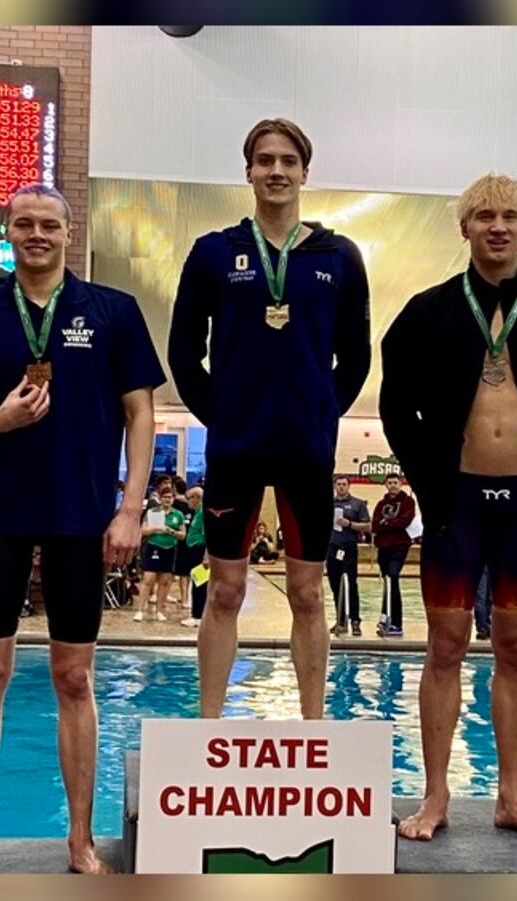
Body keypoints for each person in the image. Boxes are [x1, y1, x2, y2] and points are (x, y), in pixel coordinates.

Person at [0, 183, 164, 874]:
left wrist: (130, 507)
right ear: (7, 232)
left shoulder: (114, 312)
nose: (36, 233)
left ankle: (80, 840)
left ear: (69, 234)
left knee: (76, 677)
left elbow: (140, 414)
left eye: (49, 223)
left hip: (81, 516)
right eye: (23, 223)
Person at [380, 173, 517, 843]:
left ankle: (511, 795)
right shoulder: (428, 311)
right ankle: (435, 793)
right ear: (464, 227)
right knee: (444, 646)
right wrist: (427, 474)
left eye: (509, 216)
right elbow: (393, 402)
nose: (496, 226)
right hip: (455, 502)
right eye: (483, 216)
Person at [168, 117, 372, 719]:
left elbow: (357, 356)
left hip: (306, 450)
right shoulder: (213, 253)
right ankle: (208, 725)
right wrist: (222, 415)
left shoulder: (339, 255)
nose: (276, 170)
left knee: (309, 593)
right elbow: (184, 351)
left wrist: (319, 412)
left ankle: (313, 728)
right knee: (224, 589)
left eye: (288, 160)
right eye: (264, 160)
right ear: (249, 171)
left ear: (305, 171)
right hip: (236, 448)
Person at [371, 474, 417, 637]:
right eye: (389, 483)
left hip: (399, 546)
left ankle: (396, 622)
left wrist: (387, 523)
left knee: (393, 576)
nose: (392, 486)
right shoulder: (381, 504)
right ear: (385, 485)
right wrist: (389, 523)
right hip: (383, 546)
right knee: (388, 582)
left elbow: (405, 521)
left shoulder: (407, 502)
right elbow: (375, 525)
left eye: (395, 483)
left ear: (401, 483)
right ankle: (385, 617)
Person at [135, 481, 187, 622]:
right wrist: (157, 528)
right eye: (165, 497)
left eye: (170, 497)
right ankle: (140, 610)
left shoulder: (178, 515)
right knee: (148, 579)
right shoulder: (153, 512)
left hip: (170, 549)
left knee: (165, 581)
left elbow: (182, 535)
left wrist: (170, 531)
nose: (167, 500)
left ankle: (159, 610)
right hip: (154, 547)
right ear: (160, 498)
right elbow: (143, 530)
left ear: (173, 498)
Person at [327, 475, 372, 636]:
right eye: (338, 484)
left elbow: (367, 526)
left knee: (350, 583)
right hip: (332, 548)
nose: (341, 487)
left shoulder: (357, 504)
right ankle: (340, 620)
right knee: (334, 584)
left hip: (349, 548)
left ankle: (355, 620)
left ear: (349, 486)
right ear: (334, 486)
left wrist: (351, 524)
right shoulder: (329, 504)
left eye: (344, 484)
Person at [176, 485, 208, 625]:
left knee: (199, 584)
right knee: (197, 581)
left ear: (196, 498)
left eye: (189, 498)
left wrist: (206, 556)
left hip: (199, 551)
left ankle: (198, 615)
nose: (187, 501)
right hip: (194, 550)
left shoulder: (203, 513)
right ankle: (198, 613)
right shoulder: (198, 511)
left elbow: (209, 537)